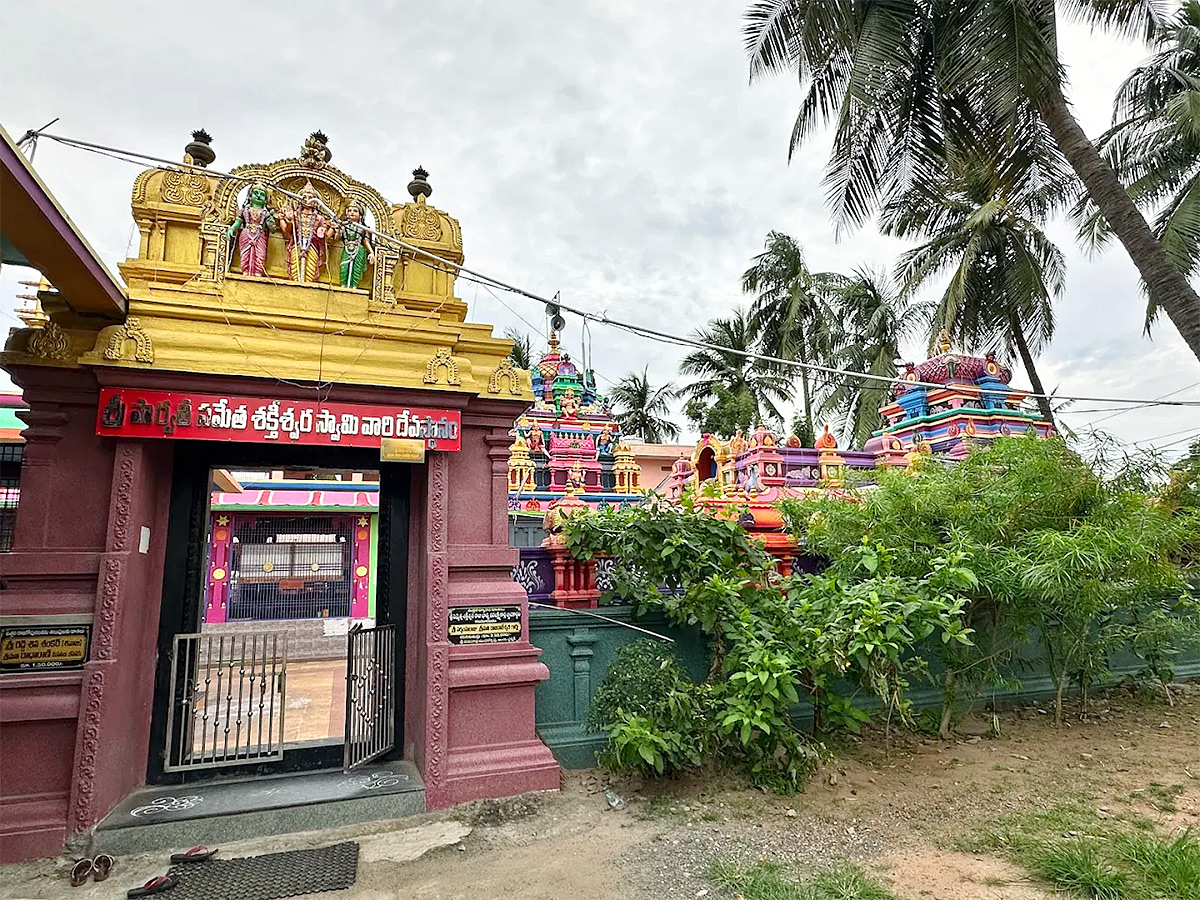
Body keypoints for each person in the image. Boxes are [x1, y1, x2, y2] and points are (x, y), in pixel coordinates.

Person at [279, 181, 330, 282]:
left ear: (316, 202)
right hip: (296, 244)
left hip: (313, 246)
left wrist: (326, 229)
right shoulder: (294, 215)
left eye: (310, 197)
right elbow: (287, 230)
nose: (307, 200)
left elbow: (325, 236)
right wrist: (286, 220)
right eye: (304, 197)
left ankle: (307, 286)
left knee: (310, 270)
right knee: (295, 269)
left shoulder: (319, 218)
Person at [226, 182, 275, 277]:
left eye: (262, 195)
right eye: (256, 193)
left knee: (260, 256)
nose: (258, 196)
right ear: (250, 196)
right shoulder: (245, 210)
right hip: (246, 234)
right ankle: (245, 273)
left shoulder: (266, 213)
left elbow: (272, 229)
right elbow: (238, 222)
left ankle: (257, 274)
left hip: (260, 236)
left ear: (265, 200)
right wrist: (231, 229)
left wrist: (271, 219)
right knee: (245, 255)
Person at [334, 200, 376, 288]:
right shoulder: (344, 226)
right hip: (346, 248)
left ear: (360, 215)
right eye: (349, 210)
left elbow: (365, 241)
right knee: (344, 268)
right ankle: (343, 286)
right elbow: (336, 239)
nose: (352, 213)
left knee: (356, 270)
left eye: (355, 211)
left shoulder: (363, 228)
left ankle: (353, 288)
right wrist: (337, 230)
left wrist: (371, 253)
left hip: (359, 249)